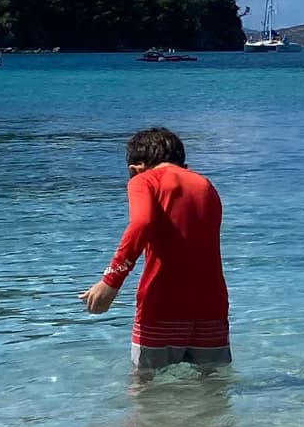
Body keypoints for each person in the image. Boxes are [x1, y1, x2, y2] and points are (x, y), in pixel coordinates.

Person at [78, 125, 230, 372]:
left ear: (134, 169)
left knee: (144, 384)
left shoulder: (144, 180)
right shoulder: (205, 185)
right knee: (214, 384)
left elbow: (142, 223)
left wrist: (111, 281)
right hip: (211, 305)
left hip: (162, 304)